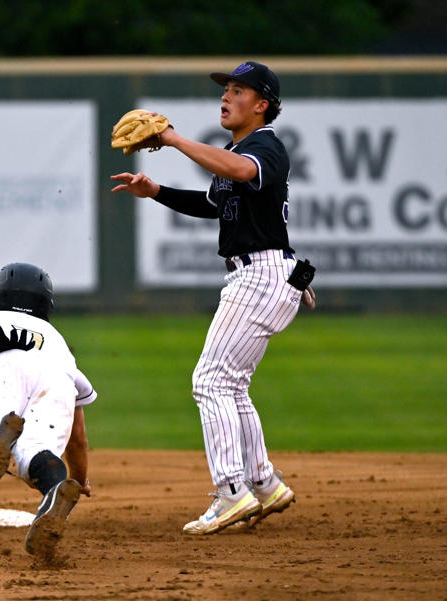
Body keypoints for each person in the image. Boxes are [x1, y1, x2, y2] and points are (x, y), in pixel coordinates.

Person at [111, 61, 314, 535]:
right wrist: (156, 190)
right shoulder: (238, 149)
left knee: (210, 381)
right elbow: (216, 203)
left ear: (261, 105)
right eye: (226, 89)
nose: (226, 96)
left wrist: (177, 140)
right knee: (231, 384)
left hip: (259, 275)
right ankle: (264, 483)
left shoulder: (263, 146)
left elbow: (243, 171)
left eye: (238, 90)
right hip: (268, 273)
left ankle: (230, 492)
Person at [0, 262, 96, 557]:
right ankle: (54, 491)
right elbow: (77, 437)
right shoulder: (59, 343)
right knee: (35, 454)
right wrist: (79, 479)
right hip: (57, 380)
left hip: (3, 365)